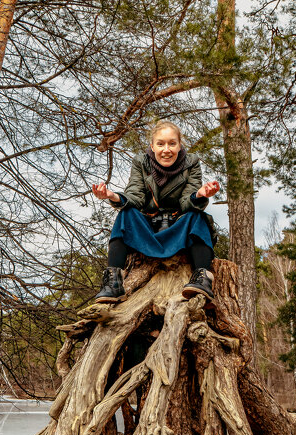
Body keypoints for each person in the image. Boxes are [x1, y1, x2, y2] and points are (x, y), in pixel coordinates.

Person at [92, 120, 220, 303]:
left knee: (197, 216)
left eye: (171, 143)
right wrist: (112, 195)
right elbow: (135, 197)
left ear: (179, 145)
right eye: (160, 144)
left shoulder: (191, 162)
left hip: (178, 228)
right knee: (126, 214)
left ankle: (203, 279)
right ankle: (113, 284)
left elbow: (186, 203)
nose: (166, 149)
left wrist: (199, 194)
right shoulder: (141, 162)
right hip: (148, 228)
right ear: (152, 146)